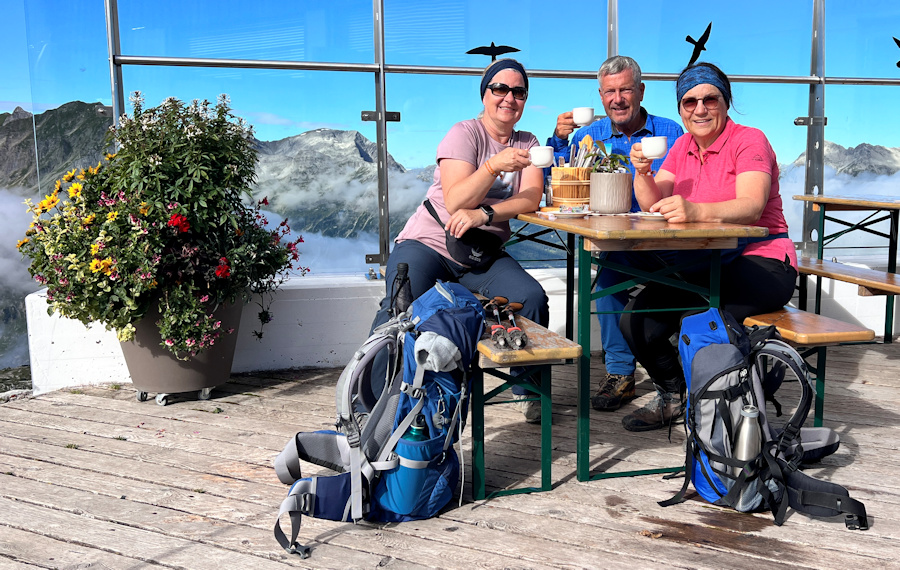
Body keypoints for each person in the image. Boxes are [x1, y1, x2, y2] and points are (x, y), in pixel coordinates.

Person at [618, 62, 798, 432]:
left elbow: (752, 205)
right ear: (681, 109)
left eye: (709, 99)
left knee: (697, 323)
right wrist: (643, 172)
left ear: (725, 102)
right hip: (705, 262)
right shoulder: (681, 146)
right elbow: (653, 203)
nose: (699, 109)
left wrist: (696, 209)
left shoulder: (749, 140)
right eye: (689, 102)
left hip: (761, 263)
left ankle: (728, 409)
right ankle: (674, 396)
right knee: (635, 322)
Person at [369, 58, 549, 422]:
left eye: (518, 92)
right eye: (499, 89)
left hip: (481, 251)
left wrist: (486, 214)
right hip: (430, 243)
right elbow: (455, 201)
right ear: (485, 94)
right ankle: (370, 395)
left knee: (531, 298)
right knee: (400, 307)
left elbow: (530, 198)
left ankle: (527, 389)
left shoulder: (528, 141)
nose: (508, 98)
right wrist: (493, 166)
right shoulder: (464, 134)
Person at [547, 55, 683, 414]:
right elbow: (561, 181)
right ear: (600, 95)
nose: (617, 99)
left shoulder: (670, 132)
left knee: (618, 276)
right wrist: (559, 140)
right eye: (610, 92)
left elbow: (687, 182)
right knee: (607, 279)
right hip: (618, 243)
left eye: (625, 89)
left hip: (668, 242)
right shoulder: (589, 136)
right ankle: (620, 374)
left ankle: (670, 368)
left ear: (640, 90)